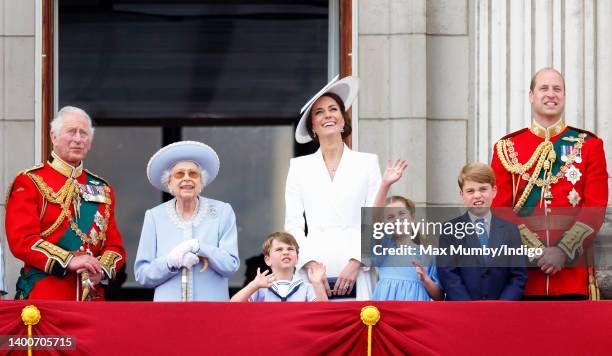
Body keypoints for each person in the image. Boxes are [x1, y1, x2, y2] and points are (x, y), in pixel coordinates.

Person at [491, 68, 609, 299]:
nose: (551, 94)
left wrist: (563, 251)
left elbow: (595, 208)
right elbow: (500, 208)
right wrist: (537, 251)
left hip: (571, 276)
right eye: (544, 88)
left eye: (557, 89)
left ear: (564, 96)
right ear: (531, 95)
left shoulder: (589, 145)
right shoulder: (507, 148)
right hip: (522, 276)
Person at [5, 106, 126, 300]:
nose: (78, 139)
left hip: (92, 300)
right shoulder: (30, 181)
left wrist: (101, 270)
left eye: (84, 133)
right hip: (46, 297)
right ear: (53, 137)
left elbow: (115, 248)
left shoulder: (103, 188)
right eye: (71, 132)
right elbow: (22, 240)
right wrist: (69, 260)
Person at [285, 76, 381, 300]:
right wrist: (308, 263)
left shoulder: (367, 162)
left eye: (333, 109)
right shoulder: (299, 167)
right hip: (315, 271)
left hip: (358, 270)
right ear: (313, 127)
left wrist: (357, 261)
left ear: (342, 120)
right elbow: (293, 223)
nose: (327, 115)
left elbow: (376, 219)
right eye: (319, 112)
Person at [134, 141, 239, 301]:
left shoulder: (222, 212)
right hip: (168, 313)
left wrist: (200, 248)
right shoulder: (154, 217)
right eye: (179, 174)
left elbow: (230, 265)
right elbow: (142, 275)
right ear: (169, 182)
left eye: (193, 174)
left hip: (212, 312)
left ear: (201, 182)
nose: (187, 178)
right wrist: (169, 262)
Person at [438, 163, 527, 300]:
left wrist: (501, 306)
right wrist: (469, 309)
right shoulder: (449, 230)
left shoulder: (510, 230)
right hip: (463, 311)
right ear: (462, 194)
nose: (477, 195)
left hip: (501, 311)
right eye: (470, 191)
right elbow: (448, 274)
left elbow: (518, 275)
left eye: (483, 189)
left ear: (494, 191)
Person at [371, 196, 443, 301]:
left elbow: (439, 296)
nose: (397, 219)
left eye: (402, 213)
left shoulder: (428, 252)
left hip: (415, 310)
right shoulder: (383, 247)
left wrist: (425, 279)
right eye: (390, 217)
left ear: (412, 218)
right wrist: (385, 184)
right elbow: (374, 217)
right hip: (386, 308)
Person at [230, 232, 328, 302]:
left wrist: (317, 283)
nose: (285, 252)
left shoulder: (306, 287)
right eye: (279, 249)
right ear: (268, 260)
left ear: (297, 258)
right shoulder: (260, 287)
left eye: (290, 249)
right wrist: (254, 285)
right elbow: (232, 306)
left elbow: (324, 315)